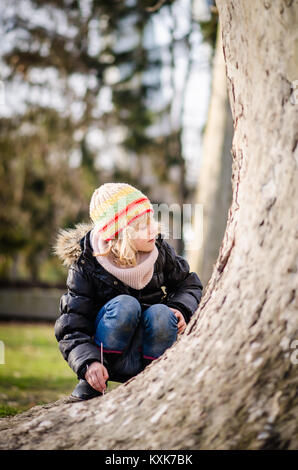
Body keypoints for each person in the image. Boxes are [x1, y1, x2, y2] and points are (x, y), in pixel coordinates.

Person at [53, 182, 203, 401]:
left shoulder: (159, 251)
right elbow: (72, 324)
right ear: (119, 234)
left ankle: (154, 380)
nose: (153, 229)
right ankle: (93, 383)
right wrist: (88, 363)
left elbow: (188, 283)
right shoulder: (87, 264)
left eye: (151, 220)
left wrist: (180, 308)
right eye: (142, 226)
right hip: (106, 353)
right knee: (125, 305)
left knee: (162, 313)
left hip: (148, 349)